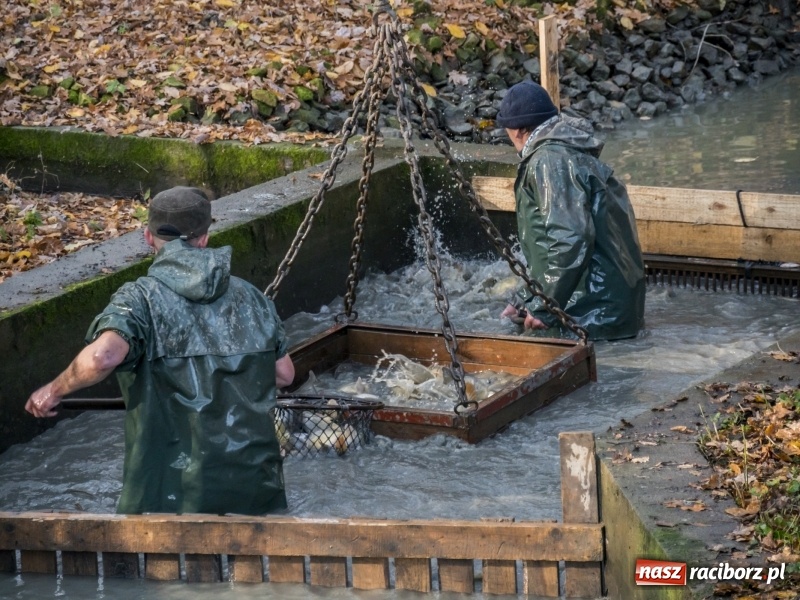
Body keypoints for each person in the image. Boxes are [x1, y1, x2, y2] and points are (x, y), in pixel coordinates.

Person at [25, 186, 294, 515]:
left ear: (148, 237)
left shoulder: (139, 300)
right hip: (253, 487)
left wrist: (53, 390)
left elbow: (102, 357)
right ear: (205, 238)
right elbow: (284, 374)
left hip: (168, 495)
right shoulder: (252, 298)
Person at [495, 81, 646, 341]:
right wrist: (526, 300)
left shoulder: (548, 162)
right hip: (612, 310)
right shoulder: (570, 151)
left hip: (592, 316)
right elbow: (556, 247)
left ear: (518, 130)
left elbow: (570, 240)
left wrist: (543, 308)